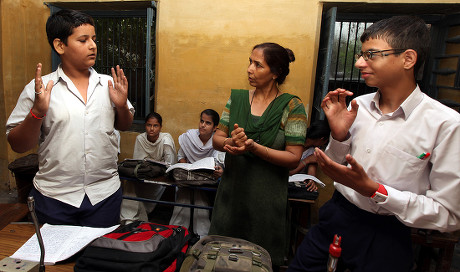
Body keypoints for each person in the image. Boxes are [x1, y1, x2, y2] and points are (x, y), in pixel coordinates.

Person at [288, 15, 460, 272]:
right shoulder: (359, 106)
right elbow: (335, 165)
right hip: (336, 216)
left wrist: (374, 190)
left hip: (386, 234)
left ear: (408, 59)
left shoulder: (445, 124)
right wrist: (340, 136)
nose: (359, 62)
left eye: (371, 55)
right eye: (361, 54)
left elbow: (448, 214)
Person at [5, 9, 134, 227]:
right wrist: (37, 112)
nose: (93, 45)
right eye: (83, 40)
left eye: (94, 39)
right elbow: (18, 144)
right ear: (60, 46)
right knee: (56, 259)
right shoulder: (40, 89)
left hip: (104, 195)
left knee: (98, 258)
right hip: (54, 197)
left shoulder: (108, 84)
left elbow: (124, 124)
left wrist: (121, 106)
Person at [209, 42, 308, 266]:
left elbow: (294, 158)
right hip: (231, 200)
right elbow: (216, 139)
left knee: (259, 262)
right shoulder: (237, 99)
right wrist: (230, 142)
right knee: (222, 259)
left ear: (276, 72)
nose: (249, 69)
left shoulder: (291, 107)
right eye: (250, 63)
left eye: (258, 65)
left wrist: (254, 148)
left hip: (266, 204)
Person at [169, 109, 225, 238]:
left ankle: (201, 235)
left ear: (215, 127)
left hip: (205, 179)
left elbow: (218, 162)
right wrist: (187, 167)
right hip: (187, 177)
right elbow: (181, 156)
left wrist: (218, 170)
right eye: (201, 121)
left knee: (200, 196)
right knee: (184, 194)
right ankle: (177, 232)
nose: (203, 125)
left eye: (208, 123)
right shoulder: (189, 137)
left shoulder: (217, 142)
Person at [120, 112, 176, 223]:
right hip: (145, 174)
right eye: (149, 125)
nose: (152, 129)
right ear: (145, 126)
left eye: (155, 126)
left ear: (160, 127)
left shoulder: (166, 139)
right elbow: (139, 162)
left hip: (160, 176)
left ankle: (142, 215)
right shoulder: (140, 138)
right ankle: (129, 218)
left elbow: (170, 163)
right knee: (130, 184)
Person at [289, 119, 330, 192]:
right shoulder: (295, 142)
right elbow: (289, 172)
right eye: (325, 142)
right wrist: (307, 160)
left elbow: (311, 172)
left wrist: (311, 181)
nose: (323, 145)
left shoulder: (313, 150)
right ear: (322, 139)